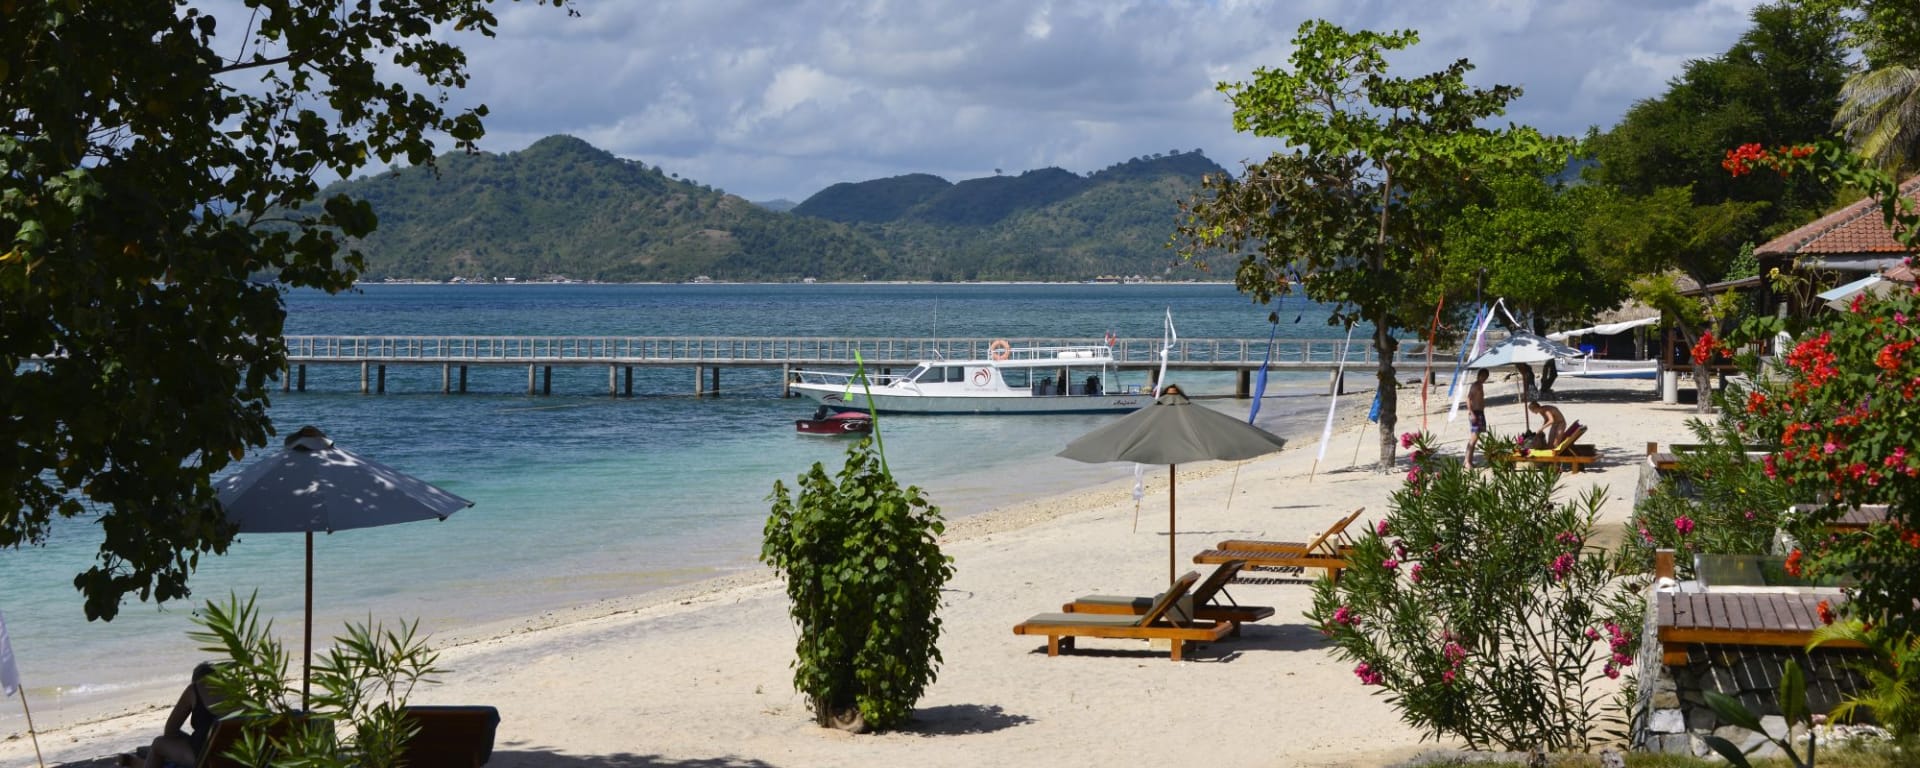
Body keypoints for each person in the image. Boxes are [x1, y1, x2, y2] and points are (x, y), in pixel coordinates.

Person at [141, 662, 223, 768]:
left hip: (207, 757)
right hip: (238, 755)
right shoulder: (237, 692)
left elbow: (170, 731)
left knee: (158, 743)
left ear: (196, 679)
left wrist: (188, 740)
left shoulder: (195, 689)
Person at [1465, 369, 1489, 469]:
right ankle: (1467, 462)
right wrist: (1471, 413)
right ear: (1479, 375)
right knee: (1474, 438)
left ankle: (1467, 460)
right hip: (1475, 413)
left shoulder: (1480, 385)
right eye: (1483, 376)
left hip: (1479, 413)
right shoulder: (1475, 385)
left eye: (1486, 377)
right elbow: (1468, 398)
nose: (1484, 378)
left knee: (1475, 437)